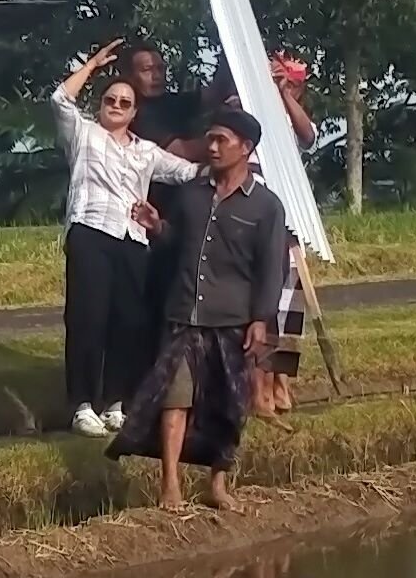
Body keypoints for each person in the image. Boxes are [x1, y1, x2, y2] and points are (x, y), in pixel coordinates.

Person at [110, 106, 300, 512]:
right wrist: (157, 225)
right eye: (209, 138)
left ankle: (217, 485)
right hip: (184, 316)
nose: (211, 147)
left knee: (228, 406)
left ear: (245, 148)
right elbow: (176, 244)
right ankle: (171, 486)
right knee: (174, 399)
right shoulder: (191, 196)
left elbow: (271, 269)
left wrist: (261, 320)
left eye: (221, 141)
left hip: (232, 321)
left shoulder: (266, 207)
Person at [51, 39, 200, 434]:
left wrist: (234, 162)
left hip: (132, 239)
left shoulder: (145, 151)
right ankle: (83, 402)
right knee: (88, 317)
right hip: (91, 232)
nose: (115, 106)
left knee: (127, 321)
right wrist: (94, 65)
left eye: (124, 103)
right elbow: (60, 100)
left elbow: (187, 171)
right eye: (110, 100)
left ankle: (116, 401)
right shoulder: (84, 135)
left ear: (135, 112)